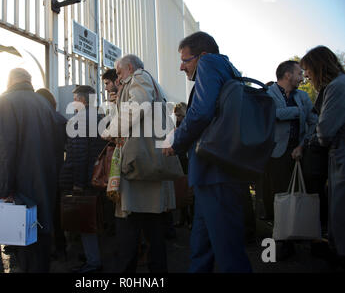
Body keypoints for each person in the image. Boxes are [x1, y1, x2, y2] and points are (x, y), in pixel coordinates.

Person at [163, 31, 252, 273]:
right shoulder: (227, 69)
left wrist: (176, 141)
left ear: (201, 55)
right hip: (212, 175)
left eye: (185, 60)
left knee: (228, 253)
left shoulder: (210, 63)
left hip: (216, 176)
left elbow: (201, 112)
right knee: (201, 247)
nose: (181, 67)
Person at [0, 68, 66, 273]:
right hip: (44, 184)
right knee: (41, 241)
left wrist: (1, 189)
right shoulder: (44, 104)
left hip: (20, 188)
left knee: (23, 245)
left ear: (9, 82)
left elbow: (3, 148)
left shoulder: (6, 100)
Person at [104, 54, 176, 273]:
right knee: (153, 233)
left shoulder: (140, 76)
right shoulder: (150, 84)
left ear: (130, 67)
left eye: (118, 73)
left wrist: (111, 130)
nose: (117, 80)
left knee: (128, 231)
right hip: (149, 166)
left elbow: (137, 106)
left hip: (139, 167)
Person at [266, 60, 318, 260]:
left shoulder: (303, 96)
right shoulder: (268, 94)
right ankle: (280, 242)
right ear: (287, 75)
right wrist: (297, 112)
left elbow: (313, 123)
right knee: (278, 198)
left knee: (299, 195)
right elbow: (271, 116)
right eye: (299, 73)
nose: (302, 76)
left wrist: (302, 146)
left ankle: (298, 235)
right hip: (276, 155)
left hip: (299, 153)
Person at [301, 46, 345, 268]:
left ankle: (339, 253)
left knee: (339, 206)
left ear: (319, 66)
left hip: (340, 153)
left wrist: (313, 141)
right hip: (337, 153)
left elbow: (325, 131)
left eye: (307, 70)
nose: (306, 76)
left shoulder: (337, 87)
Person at [59, 85, 107, 273]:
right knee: (95, 217)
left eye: (75, 99)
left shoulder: (79, 120)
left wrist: (78, 183)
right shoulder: (101, 118)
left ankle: (93, 262)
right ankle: (91, 254)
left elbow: (78, 154)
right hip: (98, 175)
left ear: (83, 100)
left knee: (85, 220)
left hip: (84, 178)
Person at [36, 87, 69, 262]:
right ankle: (61, 247)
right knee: (57, 213)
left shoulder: (38, 120)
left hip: (40, 174)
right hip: (58, 171)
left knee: (41, 212)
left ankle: (44, 248)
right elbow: (67, 148)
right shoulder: (62, 120)